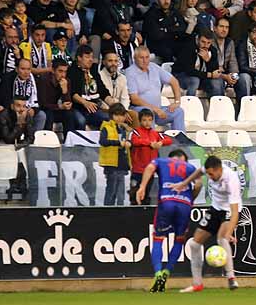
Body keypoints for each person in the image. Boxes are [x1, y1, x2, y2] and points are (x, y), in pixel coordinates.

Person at [169, 155, 243, 292]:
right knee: (194, 243)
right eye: (207, 173)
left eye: (211, 174)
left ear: (219, 169)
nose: (209, 176)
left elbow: (234, 213)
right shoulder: (209, 169)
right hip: (215, 208)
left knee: (222, 239)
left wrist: (229, 233)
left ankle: (231, 278)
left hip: (229, 210)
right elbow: (198, 172)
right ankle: (197, 284)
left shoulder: (232, 180)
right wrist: (184, 183)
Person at [137, 150, 200, 293]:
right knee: (179, 240)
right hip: (184, 205)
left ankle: (158, 274)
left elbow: (149, 168)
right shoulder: (190, 167)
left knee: (158, 239)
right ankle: (166, 273)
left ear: (171, 157)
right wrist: (191, 199)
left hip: (166, 202)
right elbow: (198, 185)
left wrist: (142, 187)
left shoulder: (161, 161)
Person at [98, 104, 132, 206]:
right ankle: (108, 211)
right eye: (116, 115)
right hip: (111, 163)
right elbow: (103, 141)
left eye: (121, 115)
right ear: (111, 115)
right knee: (111, 189)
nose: (119, 118)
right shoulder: (106, 127)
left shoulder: (123, 129)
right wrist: (118, 143)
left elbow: (126, 141)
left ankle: (120, 212)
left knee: (121, 191)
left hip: (121, 162)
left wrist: (129, 143)